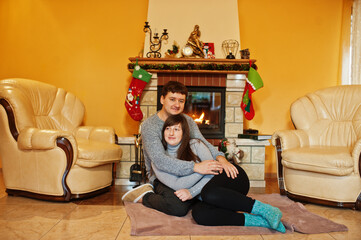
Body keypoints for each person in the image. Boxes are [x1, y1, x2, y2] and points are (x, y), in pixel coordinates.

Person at [123, 114, 286, 232]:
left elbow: (212, 171)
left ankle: (266, 210)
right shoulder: (159, 159)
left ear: (184, 132)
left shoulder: (195, 144)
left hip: (231, 178)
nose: (171, 133)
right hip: (208, 193)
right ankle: (259, 221)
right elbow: (176, 184)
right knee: (200, 215)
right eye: (168, 129)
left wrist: (192, 191)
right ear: (163, 132)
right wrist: (198, 167)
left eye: (176, 129)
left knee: (209, 192)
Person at [122, 81, 237, 216]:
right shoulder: (149, 126)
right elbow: (160, 161)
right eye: (172, 99)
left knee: (215, 192)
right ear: (162, 99)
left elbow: (204, 143)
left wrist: (222, 159)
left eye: (181, 101)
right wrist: (195, 167)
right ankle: (145, 196)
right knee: (178, 207)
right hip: (162, 176)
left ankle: (192, 197)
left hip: (187, 172)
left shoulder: (187, 121)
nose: (177, 104)